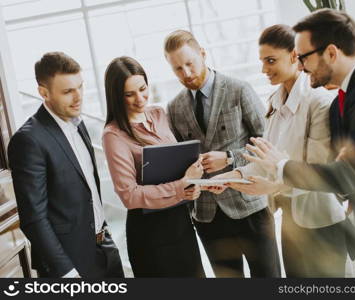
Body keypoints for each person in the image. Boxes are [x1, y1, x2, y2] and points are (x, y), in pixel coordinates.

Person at [243, 9, 355, 277]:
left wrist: (281, 166)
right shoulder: (342, 100)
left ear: (332, 53)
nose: (299, 65)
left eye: (303, 57)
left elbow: (349, 174)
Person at [214, 24, 347, 277]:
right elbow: (267, 159)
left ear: (295, 56)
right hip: (290, 221)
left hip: (321, 223)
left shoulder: (319, 101)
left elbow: (319, 171)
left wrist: (273, 186)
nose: (264, 69)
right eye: (262, 61)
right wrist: (232, 177)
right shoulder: (275, 101)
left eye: (271, 60)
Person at [164, 30, 280, 277]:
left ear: (203, 54)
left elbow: (268, 142)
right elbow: (179, 161)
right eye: (177, 69)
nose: (186, 73)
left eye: (189, 63)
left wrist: (229, 157)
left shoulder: (239, 89)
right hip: (207, 216)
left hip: (250, 207)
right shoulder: (173, 108)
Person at [8, 52, 124, 278]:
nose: (78, 96)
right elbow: (34, 218)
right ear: (44, 92)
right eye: (68, 91)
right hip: (70, 265)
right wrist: (66, 272)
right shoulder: (29, 141)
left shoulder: (79, 125)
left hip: (105, 249)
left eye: (80, 87)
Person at [102, 56, 205, 277]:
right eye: (129, 94)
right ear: (116, 96)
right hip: (150, 233)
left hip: (180, 223)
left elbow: (177, 166)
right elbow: (129, 196)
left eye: (143, 88)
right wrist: (181, 186)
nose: (140, 99)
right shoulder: (113, 135)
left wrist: (191, 187)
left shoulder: (159, 114)